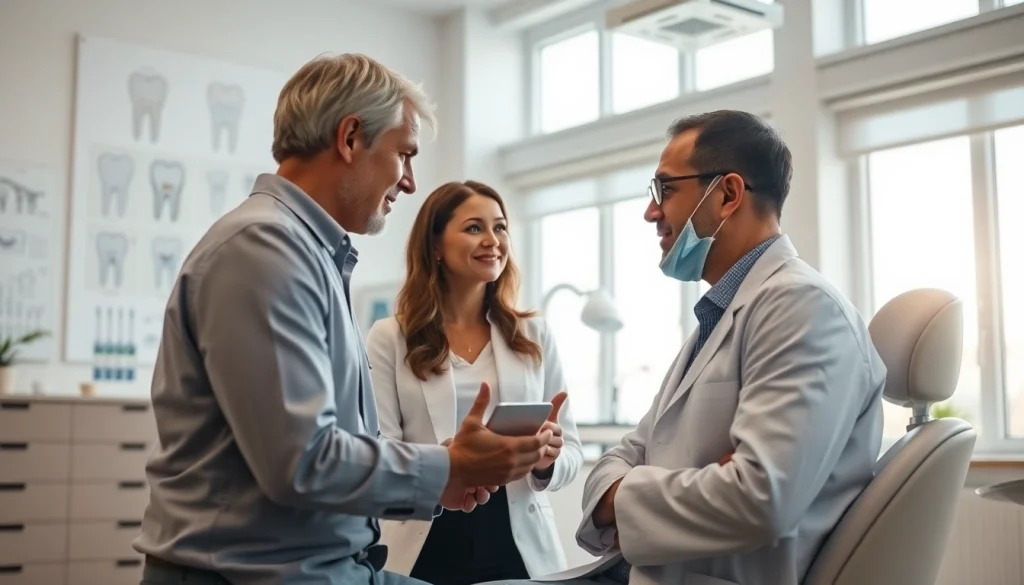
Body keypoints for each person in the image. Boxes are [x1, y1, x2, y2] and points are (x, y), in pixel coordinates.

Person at [131, 53, 554, 585]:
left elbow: (326, 445)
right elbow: (303, 459)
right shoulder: (264, 249)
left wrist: (440, 478)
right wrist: (448, 468)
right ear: (350, 138)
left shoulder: (305, 253)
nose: (409, 182)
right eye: (404, 154)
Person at [482, 110, 886, 585]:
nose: (651, 212)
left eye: (665, 190)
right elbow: (620, 457)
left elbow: (756, 500)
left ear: (728, 195)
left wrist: (625, 494)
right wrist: (684, 478)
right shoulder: (721, 314)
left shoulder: (802, 307)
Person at [365, 180, 584, 585]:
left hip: (517, 546)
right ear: (434, 246)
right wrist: (448, 459)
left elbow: (572, 452)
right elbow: (380, 450)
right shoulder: (389, 337)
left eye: (500, 227)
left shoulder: (533, 334)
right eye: (474, 228)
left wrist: (547, 460)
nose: (492, 241)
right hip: (424, 541)